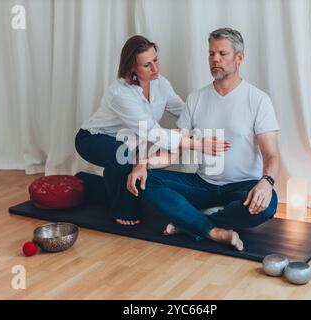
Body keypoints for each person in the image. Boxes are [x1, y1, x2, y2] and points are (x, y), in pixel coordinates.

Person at [127, 28, 280, 251]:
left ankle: (191, 222)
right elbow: (173, 151)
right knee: (146, 180)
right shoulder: (196, 99)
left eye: (222, 53)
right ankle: (213, 231)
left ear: (239, 57)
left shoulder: (258, 100)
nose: (215, 59)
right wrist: (142, 164)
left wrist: (266, 184)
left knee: (268, 205)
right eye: (211, 54)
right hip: (203, 185)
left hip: (242, 187)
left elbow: (271, 155)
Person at [75, 35, 230, 226]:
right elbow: (153, 132)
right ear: (132, 67)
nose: (155, 68)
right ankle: (121, 211)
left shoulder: (161, 83)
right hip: (93, 139)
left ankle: (87, 183)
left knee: (135, 168)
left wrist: (208, 125)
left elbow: (183, 112)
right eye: (147, 65)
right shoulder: (120, 94)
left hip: (127, 142)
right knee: (126, 156)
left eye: (155, 60)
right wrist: (197, 144)